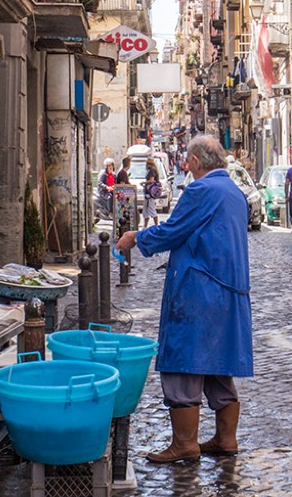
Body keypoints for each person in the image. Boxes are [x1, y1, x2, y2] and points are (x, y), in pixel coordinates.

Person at [116, 135, 253, 463]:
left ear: (193, 162)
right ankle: (226, 438)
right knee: (219, 366)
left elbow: (174, 230)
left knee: (183, 364)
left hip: (200, 292)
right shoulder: (234, 192)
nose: (185, 166)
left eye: (187, 161)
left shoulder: (201, 190)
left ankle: (185, 444)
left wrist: (136, 237)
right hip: (229, 293)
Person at [141, 161, 163, 228]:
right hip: (149, 194)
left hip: (149, 194)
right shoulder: (154, 170)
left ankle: (156, 226)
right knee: (147, 210)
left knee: (151, 209)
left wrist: (143, 182)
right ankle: (145, 226)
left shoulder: (151, 171)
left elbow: (151, 180)